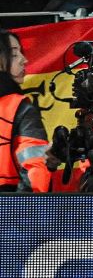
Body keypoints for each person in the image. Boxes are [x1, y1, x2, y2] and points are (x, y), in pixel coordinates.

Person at [0, 30, 50, 193]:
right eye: (14, 54)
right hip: (11, 208)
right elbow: (34, 169)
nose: (24, 60)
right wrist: (25, 213)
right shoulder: (18, 107)